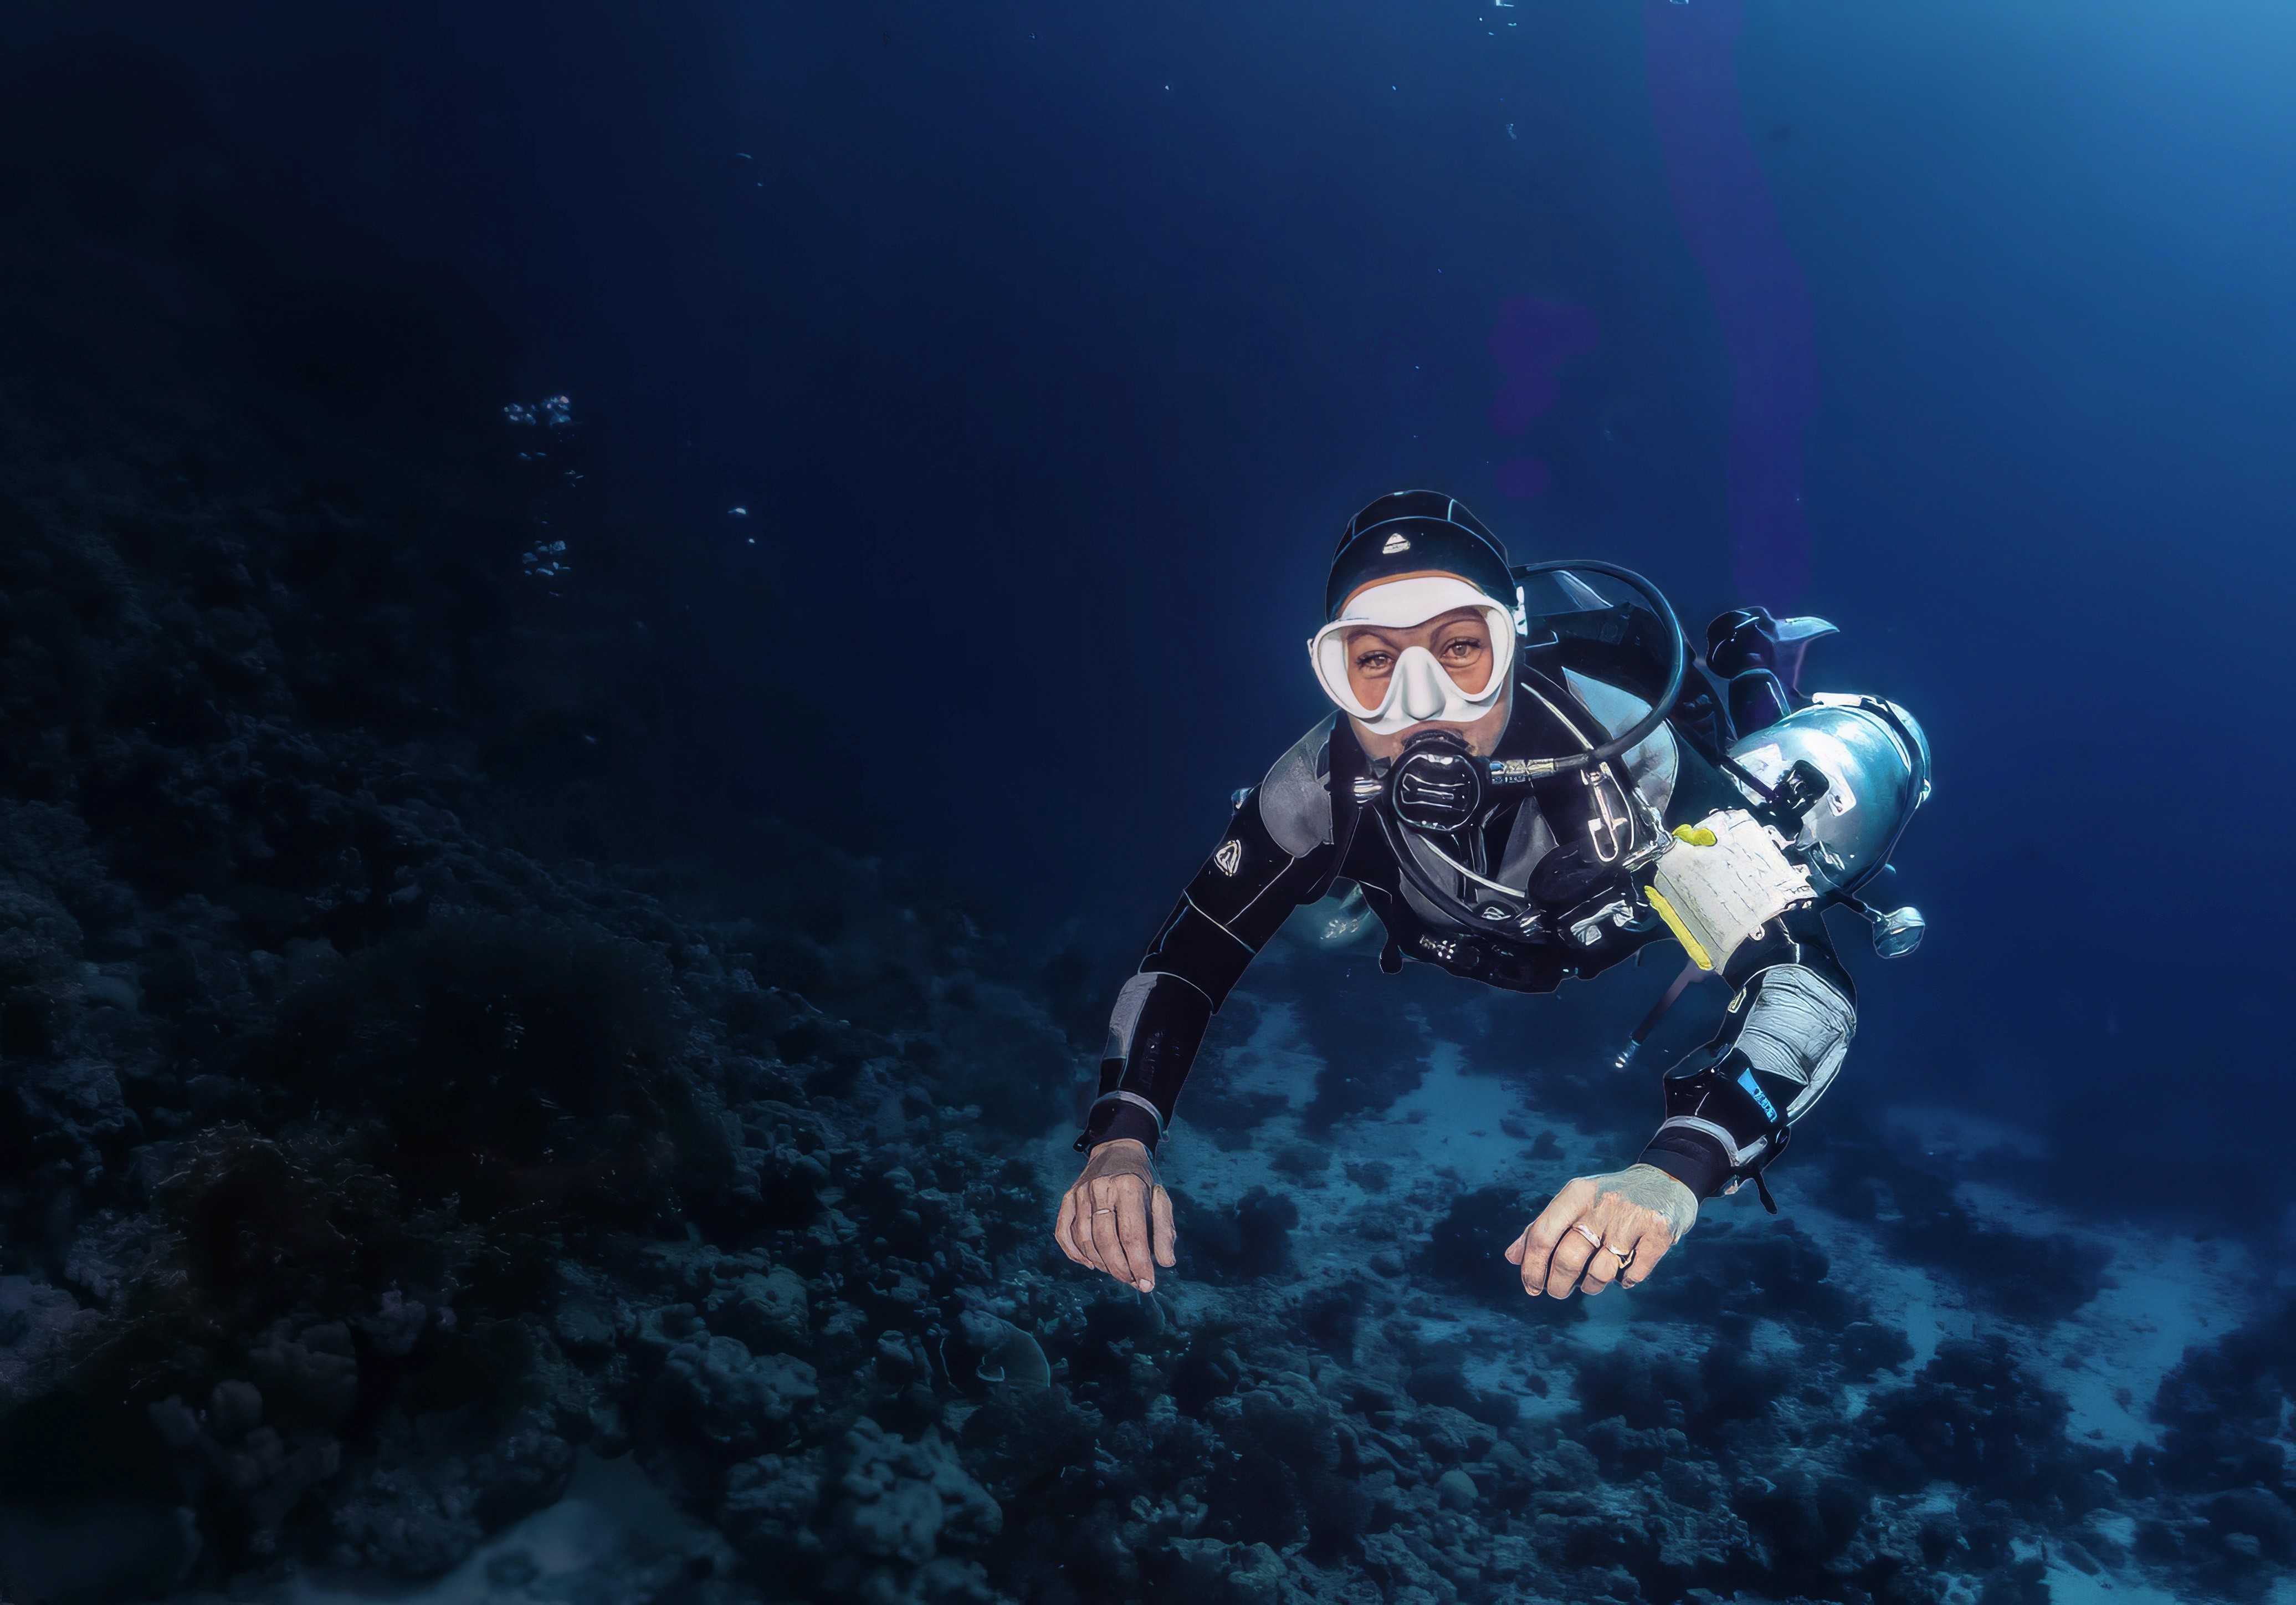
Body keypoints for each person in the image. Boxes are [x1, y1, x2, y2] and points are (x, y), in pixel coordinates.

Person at [1052, 490, 1929, 1301]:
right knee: (1314, 929)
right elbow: (1191, 956)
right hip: (1431, 917)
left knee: (1770, 796)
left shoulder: (1633, 765)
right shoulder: (1314, 786)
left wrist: (1675, 1168)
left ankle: (1752, 667)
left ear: (1511, 640)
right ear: (1332, 672)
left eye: (1460, 650)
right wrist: (1121, 1137)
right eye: (1374, 662)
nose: (1420, 706)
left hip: (1629, 894)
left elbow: (1805, 983)